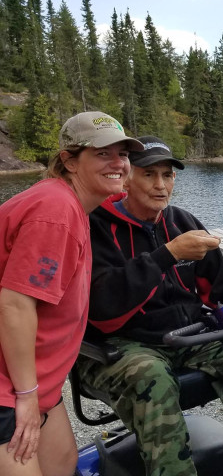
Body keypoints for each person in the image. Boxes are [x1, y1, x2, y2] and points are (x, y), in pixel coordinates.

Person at [76, 136, 223, 476]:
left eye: (168, 175)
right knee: (152, 377)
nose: (160, 185)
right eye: (149, 174)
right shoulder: (94, 225)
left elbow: (222, 278)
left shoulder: (181, 221)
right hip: (119, 344)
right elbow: (101, 305)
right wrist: (167, 255)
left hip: (186, 338)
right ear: (127, 176)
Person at [0, 111, 142, 476]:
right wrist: (26, 397)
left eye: (123, 154)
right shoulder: (55, 211)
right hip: (8, 389)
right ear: (68, 160)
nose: (118, 163)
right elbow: (14, 305)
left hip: (32, 383)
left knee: (62, 464)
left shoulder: (74, 204)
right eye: (103, 154)